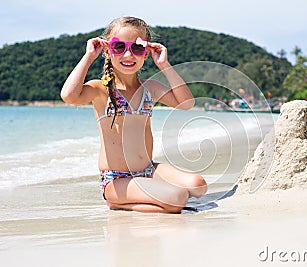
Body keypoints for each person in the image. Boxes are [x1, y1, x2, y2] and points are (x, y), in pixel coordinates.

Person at [61, 16, 207, 213]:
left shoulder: (150, 88)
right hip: (117, 180)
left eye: (137, 48)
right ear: (107, 50)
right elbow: (69, 95)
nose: (128, 55)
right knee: (177, 197)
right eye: (119, 47)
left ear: (146, 53)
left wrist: (164, 64)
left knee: (199, 185)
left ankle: (151, 200)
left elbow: (187, 103)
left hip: (148, 170)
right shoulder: (101, 89)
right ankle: (117, 200)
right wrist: (88, 56)